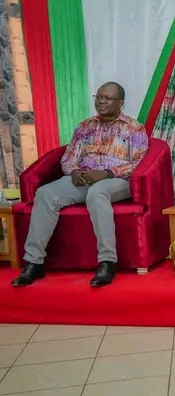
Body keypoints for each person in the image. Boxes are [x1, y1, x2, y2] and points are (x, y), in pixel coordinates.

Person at [12, 82, 148, 288]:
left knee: (97, 193)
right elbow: (68, 158)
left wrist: (107, 173)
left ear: (120, 103)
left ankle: (107, 262)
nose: (101, 101)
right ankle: (34, 262)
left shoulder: (134, 128)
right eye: (98, 97)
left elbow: (138, 163)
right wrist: (74, 171)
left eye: (107, 98)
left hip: (118, 180)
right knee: (46, 193)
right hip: (84, 178)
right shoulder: (84, 127)